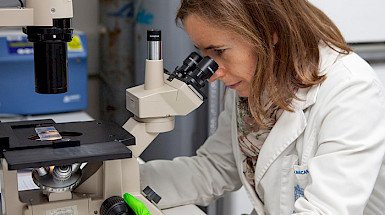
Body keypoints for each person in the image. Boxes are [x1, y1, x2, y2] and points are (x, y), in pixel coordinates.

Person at [140, 0, 385, 214]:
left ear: (269, 32)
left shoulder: (351, 89)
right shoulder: (255, 79)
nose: (213, 73)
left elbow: (325, 211)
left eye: (220, 51)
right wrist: (123, 181)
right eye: (203, 54)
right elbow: (215, 168)